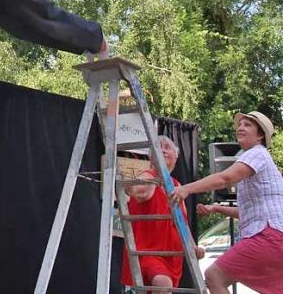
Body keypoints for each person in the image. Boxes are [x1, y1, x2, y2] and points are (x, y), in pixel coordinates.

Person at [169, 111, 283, 294]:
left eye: (247, 125)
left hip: (267, 236)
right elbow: (246, 212)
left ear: (260, 135)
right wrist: (216, 208)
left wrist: (186, 189)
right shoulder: (258, 159)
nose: (240, 128)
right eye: (239, 125)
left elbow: (225, 178)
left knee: (214, 276)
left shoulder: (257, 154)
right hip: (275, 236)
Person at [120, 136, 205, 292]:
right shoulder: (149, 175)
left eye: (167, 147)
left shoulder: (176, 185)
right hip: (149, 252)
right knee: (162, 283)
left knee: (164, 287)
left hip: (172, 257)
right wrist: (130, 187)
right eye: (159, 148)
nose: (164, 150)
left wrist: (193, 247)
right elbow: (139, 191)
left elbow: (182, 222)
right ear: (151, 156)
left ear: (176, 155)